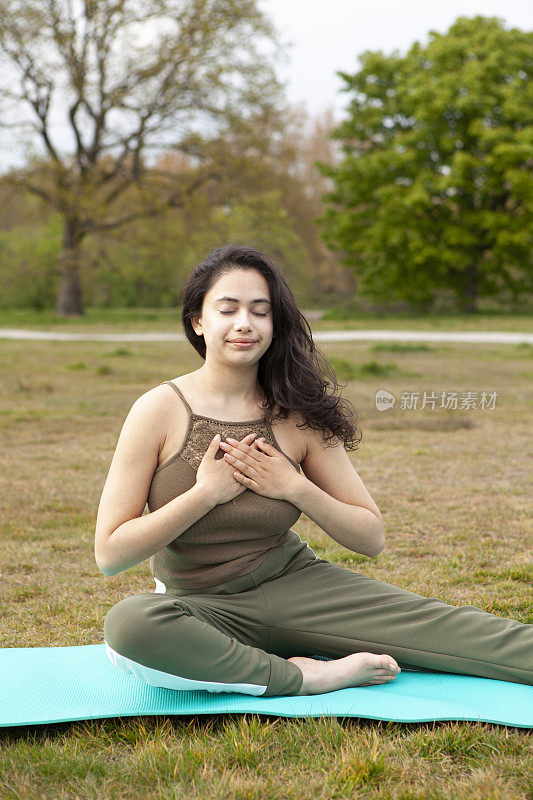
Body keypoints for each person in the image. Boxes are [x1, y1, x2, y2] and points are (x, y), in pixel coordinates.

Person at [96, 244, 532, 697]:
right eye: (228, 309)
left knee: (473, 635)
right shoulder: (158, 410)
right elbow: (110, 554)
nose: (244, 323)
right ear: (198, 321)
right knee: (130, 626)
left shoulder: (296, 413)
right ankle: (309, 676)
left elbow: (370, 537)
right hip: (200, 605)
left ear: (274, 324)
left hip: (298, 587)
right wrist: (205, 493)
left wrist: (294, 488)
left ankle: (260, 666)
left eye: (260, 312)